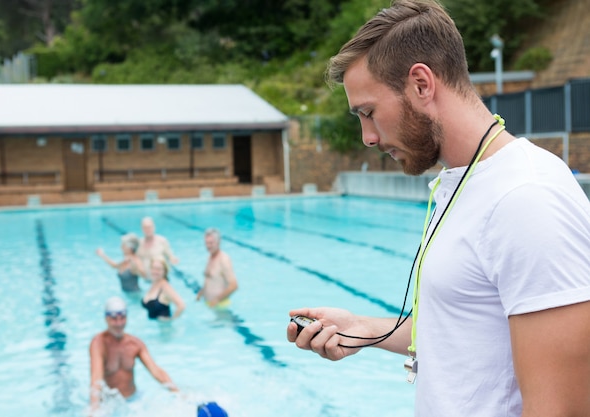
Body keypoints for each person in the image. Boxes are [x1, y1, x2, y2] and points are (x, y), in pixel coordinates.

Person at [286, 1, 590, 416]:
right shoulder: (465, 183)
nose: (367, 138)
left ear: (422, 85)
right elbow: (468, 326)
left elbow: (562, 408)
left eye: (369, 113)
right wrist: (365, 330)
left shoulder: (526, 198)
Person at [89, 296, 179, 409]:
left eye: (122, 318)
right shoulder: (99, 343)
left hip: (133, 400)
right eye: (114, 319)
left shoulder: (135, 344)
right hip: (110, 404)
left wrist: (177, 392)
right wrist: (94, 407)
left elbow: (156, 371)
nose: (119, 323)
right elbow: (96, 379)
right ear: (106, 319)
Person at [196, 228, 238, 309]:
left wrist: (216, 300)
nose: (208, 246)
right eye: (206, 243)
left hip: (221, 306)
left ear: (218, 242)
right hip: (210, 304)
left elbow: (234, 285)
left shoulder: (224, 259)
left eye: (211, 243)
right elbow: (209, 279)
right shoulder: (210, 257)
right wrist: (200, 293)